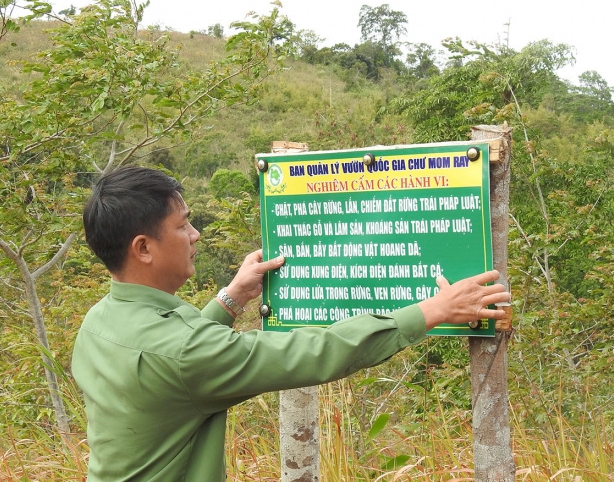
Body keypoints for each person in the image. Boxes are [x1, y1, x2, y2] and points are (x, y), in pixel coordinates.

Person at [72, 166, 511, 482]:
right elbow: (312, 353)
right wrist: (432, 311)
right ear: (144, 248)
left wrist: (234, 296)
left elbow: (175, 359)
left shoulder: (99, 323)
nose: (195, 235)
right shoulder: (185, 353)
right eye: (183, 225)